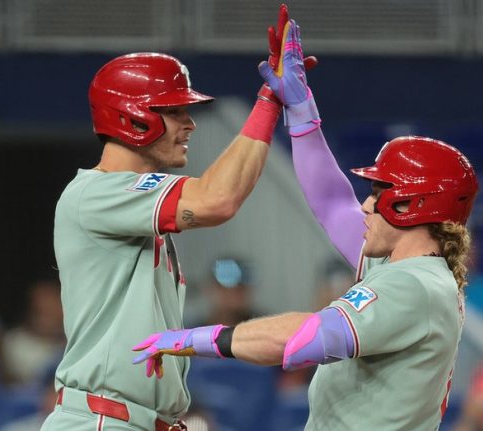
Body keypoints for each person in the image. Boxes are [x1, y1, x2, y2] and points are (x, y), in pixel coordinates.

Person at [132, 15, 480, 430]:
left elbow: (304, 340)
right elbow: (333, 203)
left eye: (378, 193)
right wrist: (300, 108)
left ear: (411, 205)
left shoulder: (414, 285)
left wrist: (190, 339)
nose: (366, 206)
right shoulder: (406, 267)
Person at [41, 6, 296, 431]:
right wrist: (269, 101)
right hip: (104, 419)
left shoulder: (127, 201)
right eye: (174, 110)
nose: (190, 123)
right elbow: (218, 200)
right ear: (132, 115)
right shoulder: (95, 192)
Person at [1, 277, 65, 386]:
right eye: (41, 310)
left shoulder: (74, 344)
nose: (46, 317)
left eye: (51, 309)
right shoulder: (14, 342)